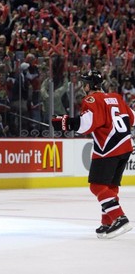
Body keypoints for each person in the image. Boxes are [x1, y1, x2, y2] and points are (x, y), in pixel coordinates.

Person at [52, 70, 134, 239]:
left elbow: (86, 125)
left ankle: (119, 218)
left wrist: (65, 122)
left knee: (96, 185)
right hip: (126, 146)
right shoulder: (117, 97)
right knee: (110, 186)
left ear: (88, 85)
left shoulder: (92, 99)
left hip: (108, 148)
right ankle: (108, 221)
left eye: (84, 83)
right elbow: (132, 118)